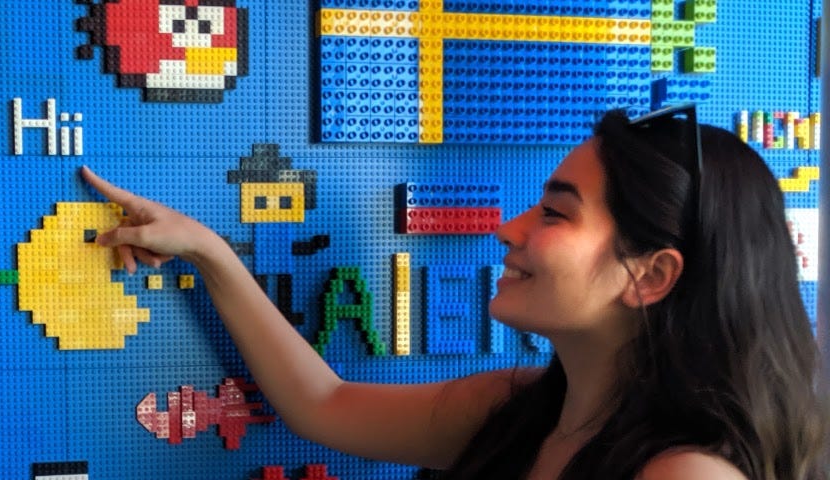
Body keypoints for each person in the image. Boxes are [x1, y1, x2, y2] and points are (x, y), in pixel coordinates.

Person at [79, 106, 830, 479]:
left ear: (652, 275)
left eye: (555, 212)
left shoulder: (685, 473)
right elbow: (324, 404)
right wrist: (209, 250)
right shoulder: (515, 409)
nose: (508, 228)